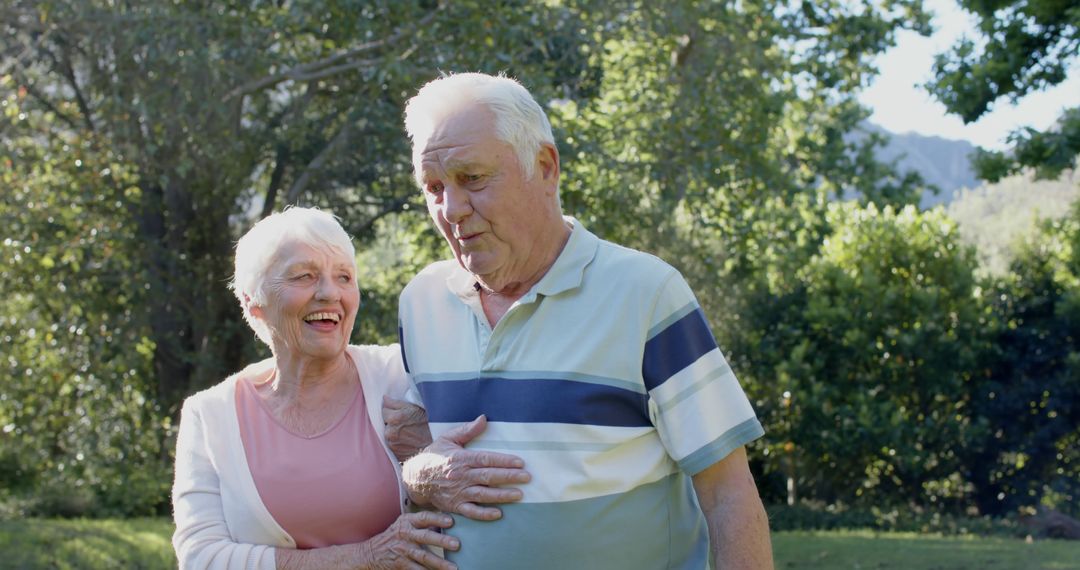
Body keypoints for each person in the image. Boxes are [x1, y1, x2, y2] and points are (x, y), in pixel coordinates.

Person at [392, 73, 774, 569]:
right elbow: (414, 446)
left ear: (545, 167)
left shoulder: (646, 292)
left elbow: (728, 494)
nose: (452, 209)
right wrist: (418, 472)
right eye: (434, 187)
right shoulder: (420, 302)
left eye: (473, 178)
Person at [171, 207, 458, 570]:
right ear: (253, 303)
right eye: (304, 276)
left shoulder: (404, 376)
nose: (329, 293)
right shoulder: (210, 415)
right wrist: (364, 558)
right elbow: (202, 558)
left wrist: (426, 445)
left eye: (344, 277)